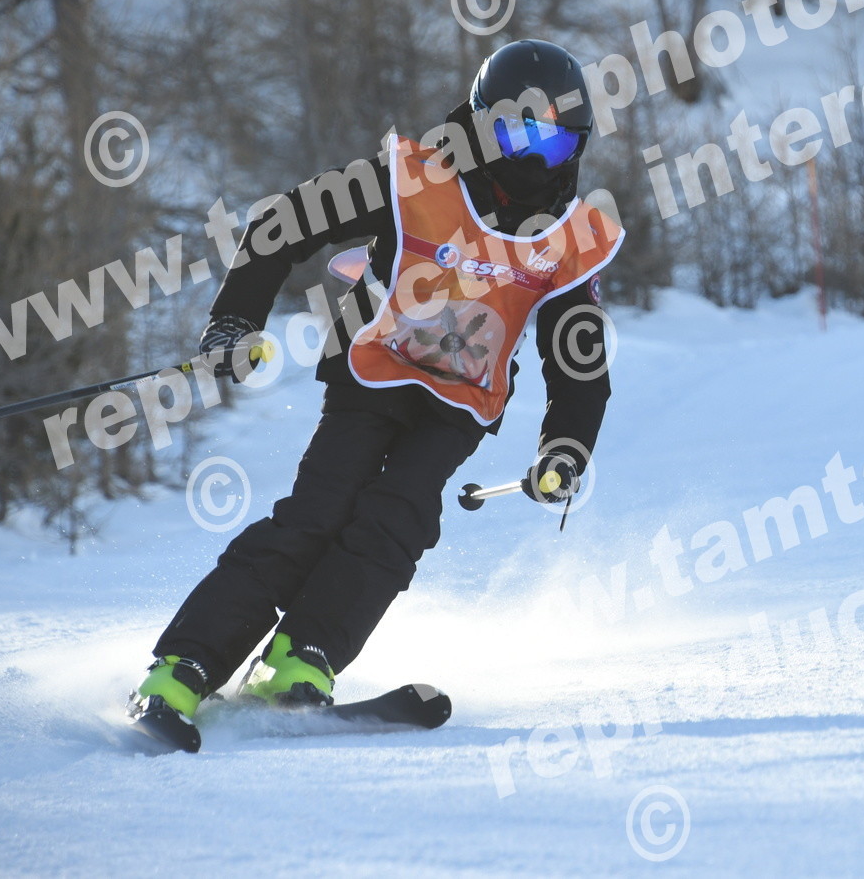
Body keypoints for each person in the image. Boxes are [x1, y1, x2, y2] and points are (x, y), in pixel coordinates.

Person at [129, 39, 623, 726]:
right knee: (318, 513)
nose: (536, 162)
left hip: (458, 403)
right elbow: (280, 225)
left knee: (399, 518)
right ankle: (185, 664)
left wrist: (565, 449)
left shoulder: (569, 238)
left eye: (556, 143)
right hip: (374, 372)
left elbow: (578, 361)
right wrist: (234, 323)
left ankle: (301, 657)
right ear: (484, 126)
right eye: (520, 136)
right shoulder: (413, 179)